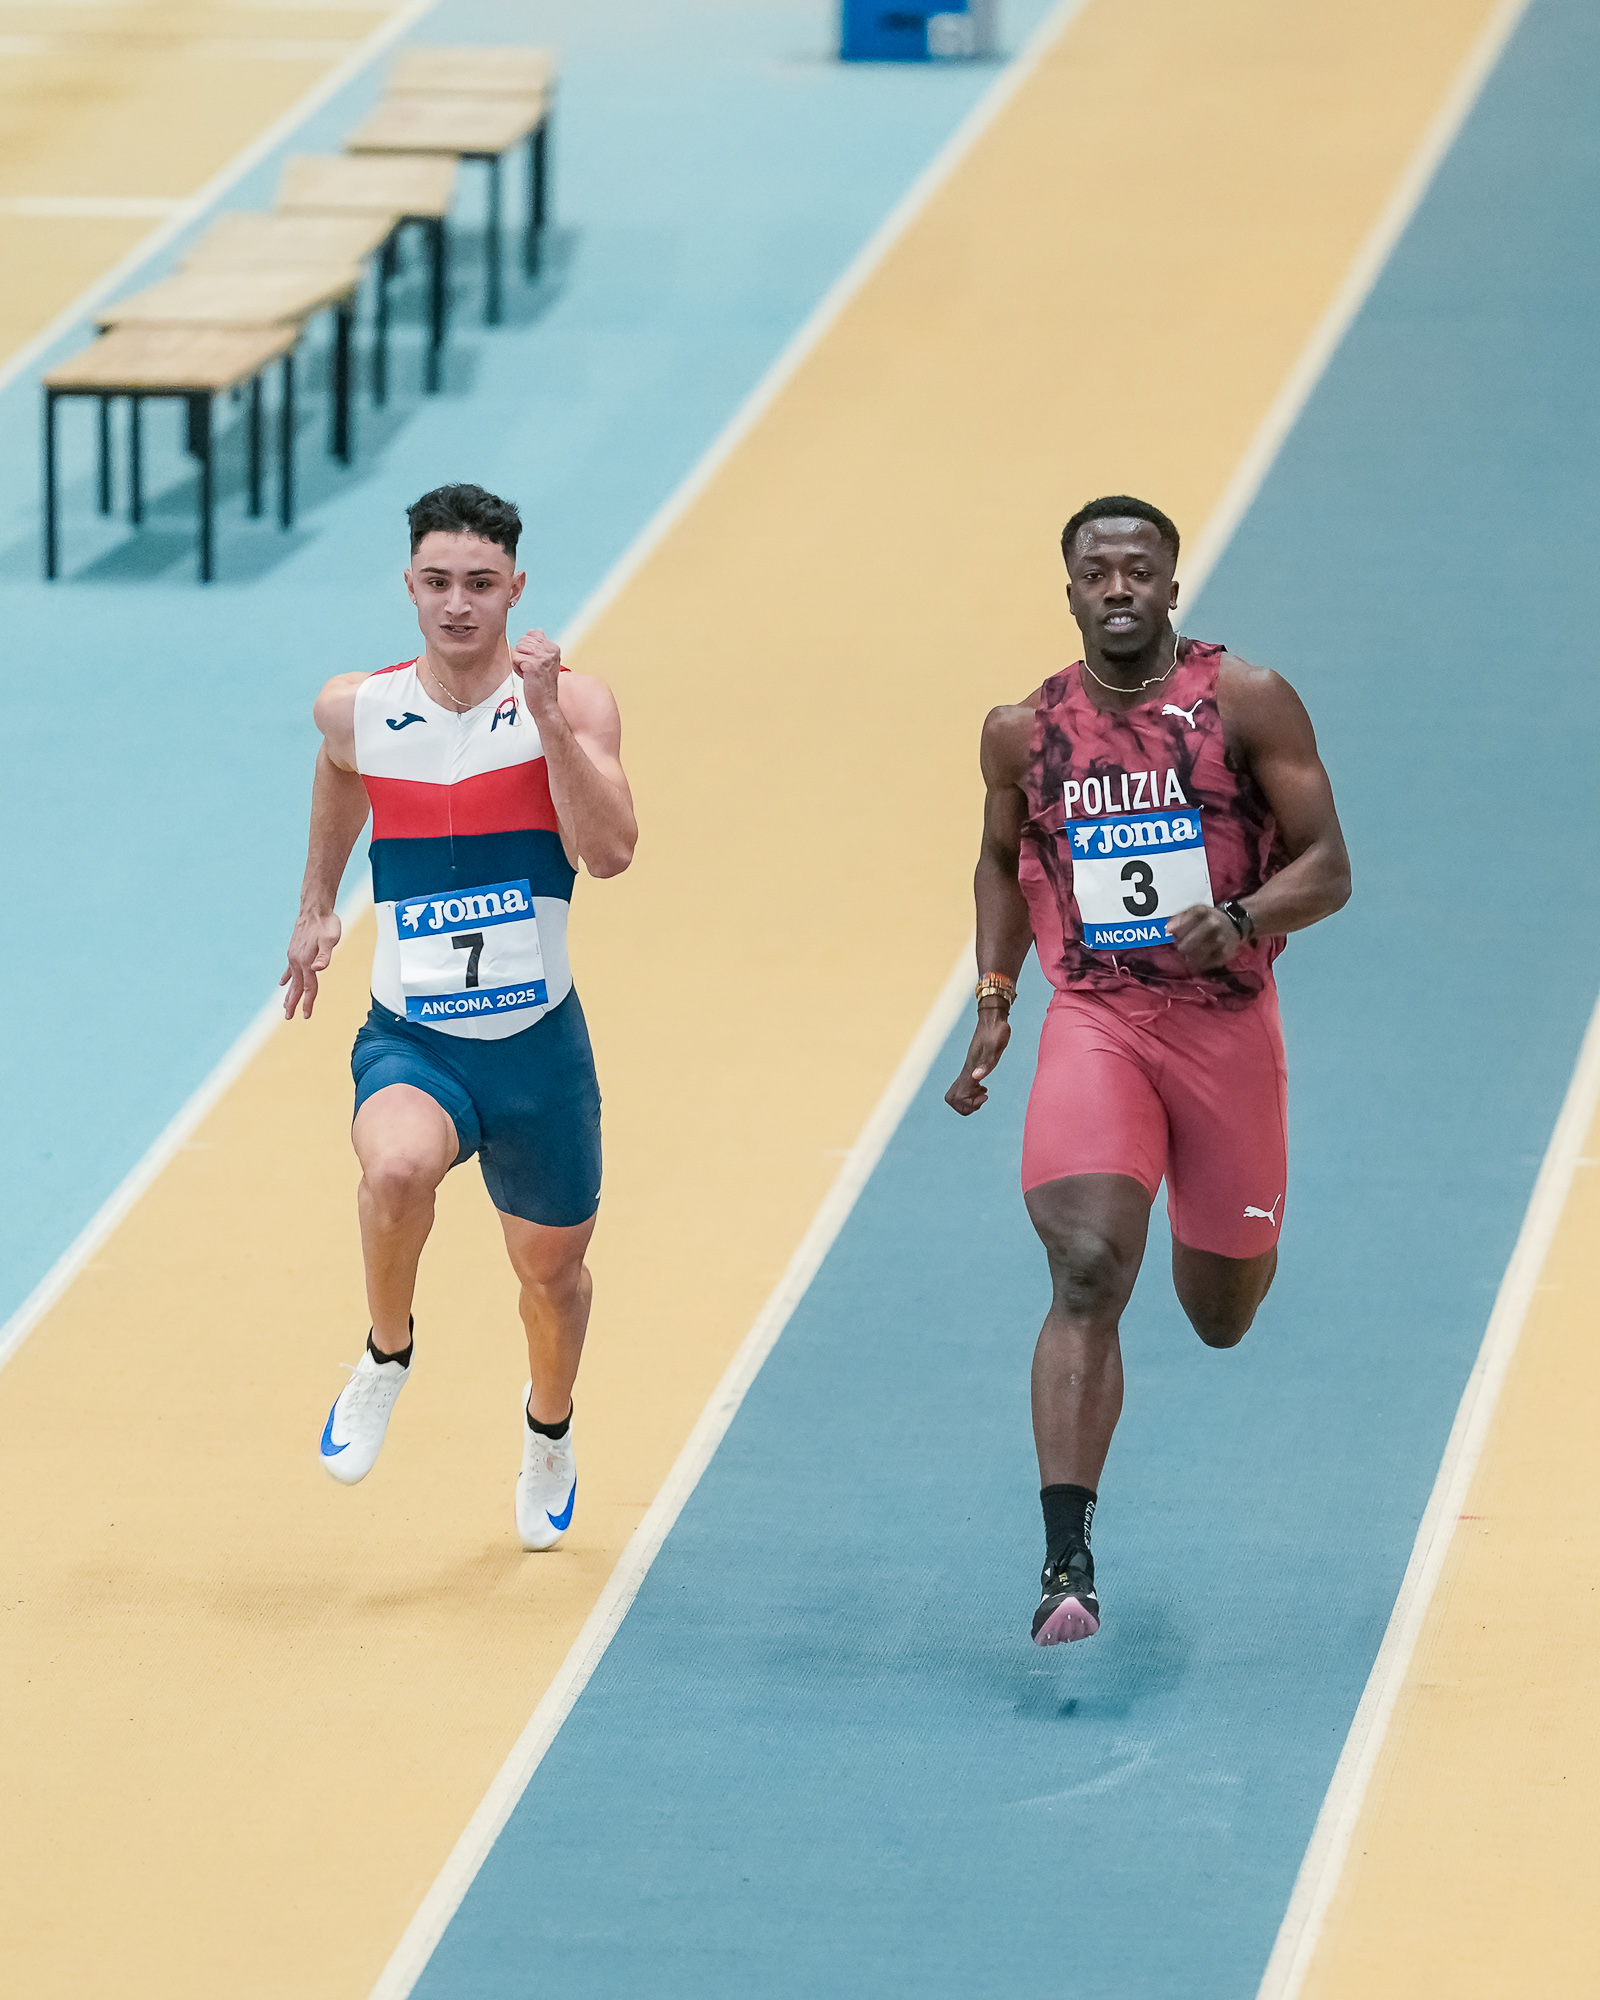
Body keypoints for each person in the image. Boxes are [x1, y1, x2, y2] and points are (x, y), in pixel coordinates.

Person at [945, 495, 1350, 1645]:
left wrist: (1240, 914)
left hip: (1223, 1028)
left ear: (1172, 587)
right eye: (1095, 571)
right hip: (1100, 1017)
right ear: (1068, 590)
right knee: (1083, 1267)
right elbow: (993, 857)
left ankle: (1206, 1215)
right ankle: (1064, 1558)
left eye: (1139, 570)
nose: (1117, 587)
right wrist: (993, 997)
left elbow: (1329, 865)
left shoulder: (1245, 701)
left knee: (1219, 1312)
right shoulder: (1023, 731)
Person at [280, 483, 636, 1549]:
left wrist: (542, 720)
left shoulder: (572, 705)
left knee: (553, 1278)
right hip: (415, 1035)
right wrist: (314, 908)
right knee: (391, 1169)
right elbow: (343, 770)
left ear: (516, 588)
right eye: (437, 583)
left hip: (537, 1056)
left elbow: (609, 852)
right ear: (410, 588)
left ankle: (549, 1428)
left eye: (480, 584)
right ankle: (387, 1351)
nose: (458, 604)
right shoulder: (358, 706)